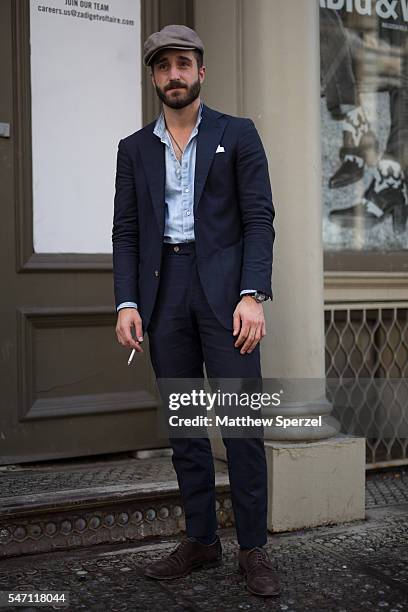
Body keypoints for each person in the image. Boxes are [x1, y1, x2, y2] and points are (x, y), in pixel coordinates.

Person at [112, 24, 280, 598]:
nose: (174, 75)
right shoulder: (134, 149)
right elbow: (128, 231)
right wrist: (128, 302)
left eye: (183, 64)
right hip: (164, 294)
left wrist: (253, 294)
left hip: (227, 294)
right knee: (185, 426)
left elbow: (259, 219)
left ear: (201, 71)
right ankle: (202, 540)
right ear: (154, 76)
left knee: (241, 428)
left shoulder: (237, 134)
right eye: (163, 66)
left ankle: (253, 549)